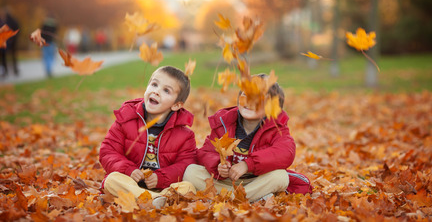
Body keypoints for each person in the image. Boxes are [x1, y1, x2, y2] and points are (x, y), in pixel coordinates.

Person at [183, 73, 312, 202]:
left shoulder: (276, 128)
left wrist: (247, 164)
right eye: (245, 94)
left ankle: (233, 199)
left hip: (256, 180)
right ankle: (246, 198)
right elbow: (206, 151)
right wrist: (218, 165)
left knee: (280, 177)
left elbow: (285, 153)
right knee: (191, 171)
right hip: (227, 181)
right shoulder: (225, 123)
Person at [99, 66, 197, 209]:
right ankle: (152, 200)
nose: (156, 91)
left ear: (177, 105)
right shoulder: (126, 119)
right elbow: (108, 151)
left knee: (188, 187)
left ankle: (155, 200)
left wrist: (161, 178)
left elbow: (186, 165)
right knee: (111, 180)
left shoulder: (185, 135)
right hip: (130, 183)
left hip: (163, 187)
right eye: (154, 84)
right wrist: (128, 170)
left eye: (166, 90)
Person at [0, 6, 20, 77]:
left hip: (6, 41)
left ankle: (5, 70)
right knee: (13, 56)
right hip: (11, 40)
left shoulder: (5, 21)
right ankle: (15, 69)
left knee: (4, 56)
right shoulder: (13, 20)